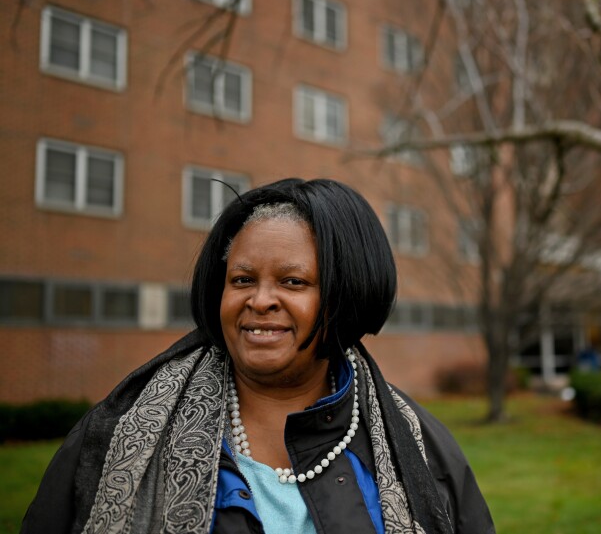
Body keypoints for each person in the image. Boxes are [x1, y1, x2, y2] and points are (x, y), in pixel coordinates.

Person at [22, 178, 495, 534]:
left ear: (345, 296)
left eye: (293, 282)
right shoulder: (116, 433)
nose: (259, 300)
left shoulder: (423, 450)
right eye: (243, 280)